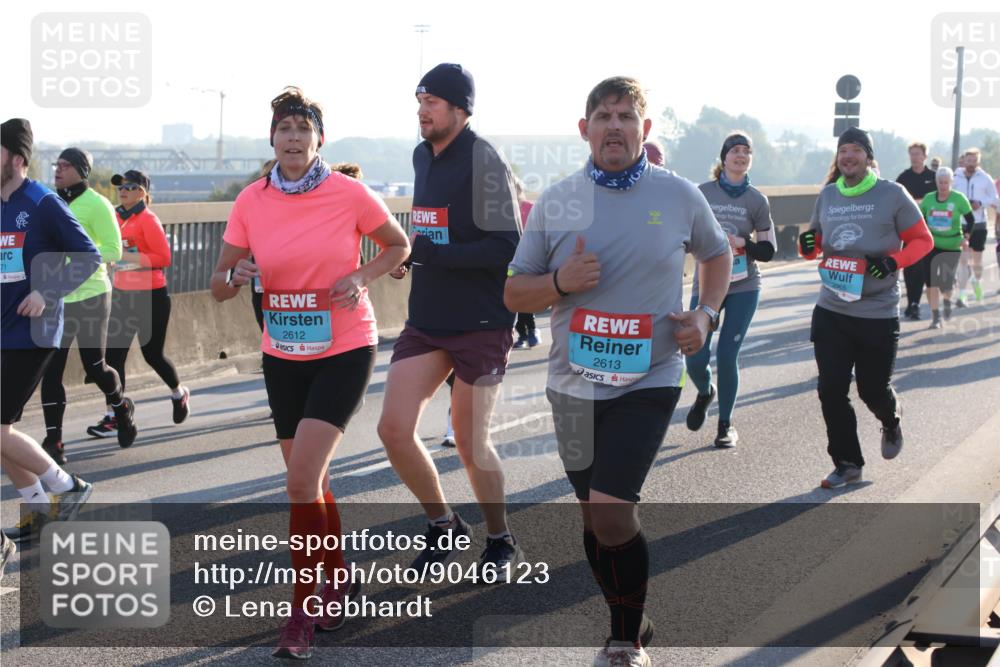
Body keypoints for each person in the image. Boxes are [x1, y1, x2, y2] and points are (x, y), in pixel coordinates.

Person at [505, 76, 732, 667]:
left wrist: (706, 314)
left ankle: (625, 640)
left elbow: (717, 253)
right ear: (585, 130)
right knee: (594, 516)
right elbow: (514, 292)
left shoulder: (679, 194)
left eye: (626, 116)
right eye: (603, 117)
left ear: (644, 129)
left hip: (650, 377)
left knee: (610, 509)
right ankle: (630, 617)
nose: (614, 126)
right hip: (572, 385)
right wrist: (560, 282)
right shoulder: (557, 201)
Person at [212, 87, 409, 659]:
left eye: (304, 128)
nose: (293, 138)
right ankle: (340, 578)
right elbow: (218, 286)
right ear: (272, 139)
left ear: (319, 139)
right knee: (312, 482)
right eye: (285, 128)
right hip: (283, 353)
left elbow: (398, 245)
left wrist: (361, 276)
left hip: (344, 347)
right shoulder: (251, 200)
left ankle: (301, 613)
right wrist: (236, 275)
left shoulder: (348, 192)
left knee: (299, 482)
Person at [378, 63, 525, 580]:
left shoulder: (485, 160)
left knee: (468, 440)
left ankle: (501, 538)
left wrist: (435, 255)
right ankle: (444, 525)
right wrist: (411, 256)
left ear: (460, 109)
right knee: (393, 429)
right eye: (419, 101)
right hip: (428, 317)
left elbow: (507, 246)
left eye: (432, 102)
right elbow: (430, 231)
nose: (422, 111)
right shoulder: (422, 155)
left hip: (481, 320)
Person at [800, 128, 932, 489]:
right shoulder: (828, 195)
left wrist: (892, 262)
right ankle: (848, 463)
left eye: (856, 150)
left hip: (877, 311)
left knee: (872, 390)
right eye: (843, 150)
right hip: (832, 308)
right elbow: (814, 247)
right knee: (830, 389)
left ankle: (891, 419)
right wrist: (808, 244)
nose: (848, 156)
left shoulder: (892, 194)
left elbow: (923, 240)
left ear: (868, 157)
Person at [1, 118, 98, 542]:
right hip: (3, 330)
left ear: (16, 158)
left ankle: (68, 486)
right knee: (1, 433)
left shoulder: (42, 202)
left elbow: (89, 256)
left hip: (34, 332)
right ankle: (39, 509)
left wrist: (46, 291)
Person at [39, 148, 137, 462]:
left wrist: (76, 254)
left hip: (91, 294)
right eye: (56, 164)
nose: (58, 170)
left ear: (81, 171)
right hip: (56, 297)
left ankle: (121, 407)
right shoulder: (50, 202)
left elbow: (114, 250)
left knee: (95, 367)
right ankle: (54, 441)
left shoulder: (97, 204)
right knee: (51, 371)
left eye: (65, 165)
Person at [686, 132, 776, 447]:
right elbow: (684, 232)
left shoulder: (757, 200)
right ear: (723, 158)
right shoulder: (702, 193)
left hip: (743, 286)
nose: (740, 155)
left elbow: (768, 251)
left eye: (746, 151)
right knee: (694, 355)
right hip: (706, 283)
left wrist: (743, 243)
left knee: (727, 355)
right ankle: (704, 392)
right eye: (735, 150)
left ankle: (725, 425)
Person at [88, 169, 190, 438]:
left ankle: (178, 393)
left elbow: (163, 258)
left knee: (152, 355)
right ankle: (115, 414)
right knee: (113, 357)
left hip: (151, 295)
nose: (122, 191)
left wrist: (126, 257)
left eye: (129, 187)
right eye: (120, 186)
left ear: (142, 192)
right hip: (122, 294)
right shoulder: (114, 217)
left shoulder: (148, 219)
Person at [919, 167, 975, 329]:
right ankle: (935, 316)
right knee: (930, 282)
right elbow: (920, 219)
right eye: (940, 182)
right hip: (932, 245)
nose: (943, 186)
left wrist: (966, 238)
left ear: (951, 182)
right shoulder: (929, 199)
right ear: (936, 182)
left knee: (946, 285)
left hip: (952, 245)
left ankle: (947, 298)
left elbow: (971, 220)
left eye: (946, 183)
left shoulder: (959, 199)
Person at [895, 142, 937, 320]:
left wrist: (922, 203)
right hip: (908, 230)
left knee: (924, 269)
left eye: (917, 153)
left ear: (924, 156)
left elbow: (942, 199)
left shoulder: (933, 177)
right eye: (912, 154)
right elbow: (895, 201)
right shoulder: (904, 178)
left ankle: (917, 303)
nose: (914, 157)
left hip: (931, 229)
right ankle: (913, 302)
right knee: (911, 268)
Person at [952, 148, 998, 305]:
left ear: (978, 162)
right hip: (961, 223)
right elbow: (950, 195)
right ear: (964, 161)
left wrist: (980, 203)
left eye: (974, 161)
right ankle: (962, 295)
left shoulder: (985, 178)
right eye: (968, 160)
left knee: (976, 261)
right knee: (963, 260)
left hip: (979, 224)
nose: (971, 164)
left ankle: (976, 281)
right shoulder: (955, 177)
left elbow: (994, 197)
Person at [512, 176, 542, 349]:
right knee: (512, 299)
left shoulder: (530, 208)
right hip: (509, 259)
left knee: (523, 296)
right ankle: (523, 334)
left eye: (514, 188)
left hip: (528, 259)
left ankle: (531, 330)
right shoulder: (501, 210)